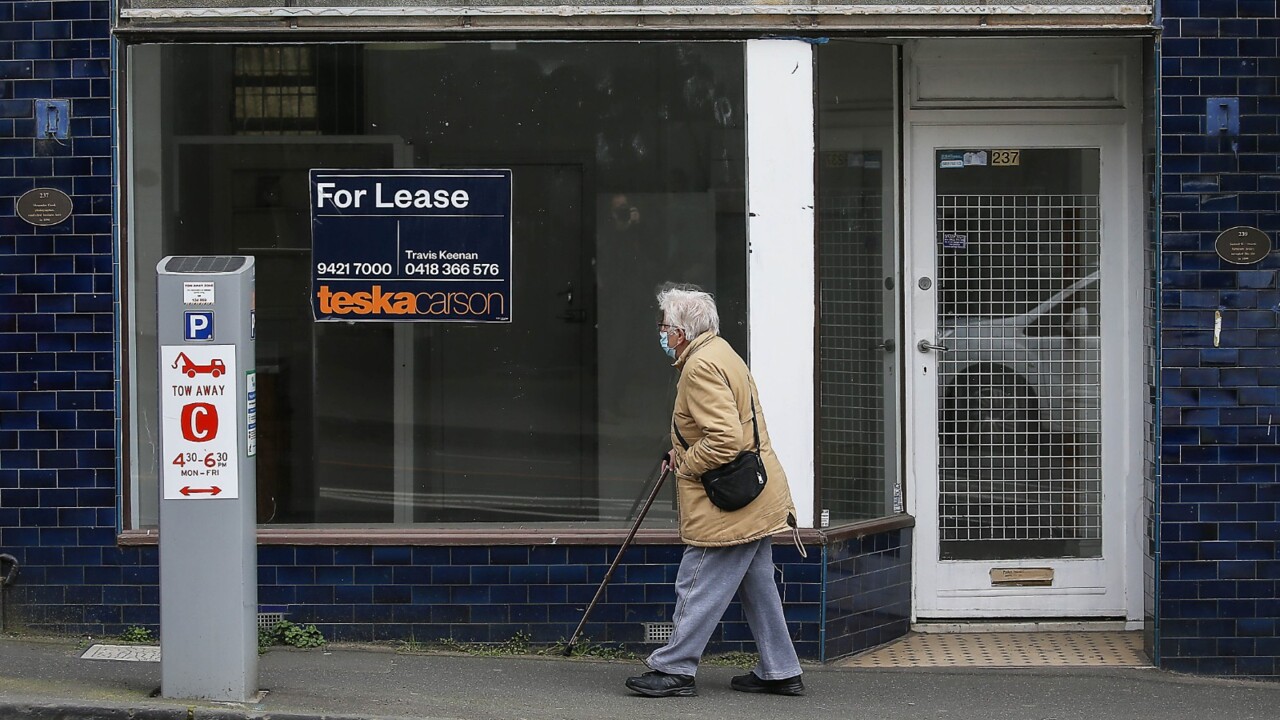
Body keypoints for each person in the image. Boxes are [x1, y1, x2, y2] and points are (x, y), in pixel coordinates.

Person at [624, 285, 805, 698]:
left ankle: (675, 669)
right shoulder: (720, 351)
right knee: (758, 584)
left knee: (697, 581)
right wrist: (684, 446)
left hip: (728, 502)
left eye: (664, 326)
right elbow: (730, 425)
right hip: (756, 492)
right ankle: (781, 669)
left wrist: (685, 463)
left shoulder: (699, 367)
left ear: (683, 331)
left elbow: (724, 438)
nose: (662, 334)